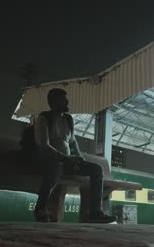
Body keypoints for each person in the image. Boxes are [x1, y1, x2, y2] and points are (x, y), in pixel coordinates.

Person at [33, 88, 116, 223]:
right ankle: (40, 208)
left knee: (96, 170)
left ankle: (95, 213)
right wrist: (65, 158)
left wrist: (78, 157)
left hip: (67, 161)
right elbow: (43, 145)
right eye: (64, 99)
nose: (67, 101)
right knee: (53, 167)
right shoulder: (43, 118)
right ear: (54, 102)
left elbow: (72, 142)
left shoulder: (68, 119)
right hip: (48, 160)